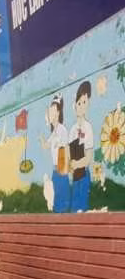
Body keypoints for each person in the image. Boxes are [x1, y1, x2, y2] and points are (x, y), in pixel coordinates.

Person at [40, 95, 70, 213]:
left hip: (61, 168)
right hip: (55, 170)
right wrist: (41, 137)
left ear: (58, 112)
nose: (50, 114)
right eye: (50, 112)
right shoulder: (54, 132)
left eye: (52, 111)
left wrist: (65, 167)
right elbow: (46, 146)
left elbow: (66, 148)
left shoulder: (62, 130)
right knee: (56, 198)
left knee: (62, 198)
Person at [68, 81, 93, 212]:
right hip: (75, 177)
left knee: (82, 211)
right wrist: (70, 166)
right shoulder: (72, 130)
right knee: (74, 211)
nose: (82, 106)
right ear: (75, 105)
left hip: (83, 175)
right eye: (79, 103)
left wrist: (76, 164)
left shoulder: (88, 127)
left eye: (84, 102)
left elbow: (88, 158)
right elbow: (69, 155)